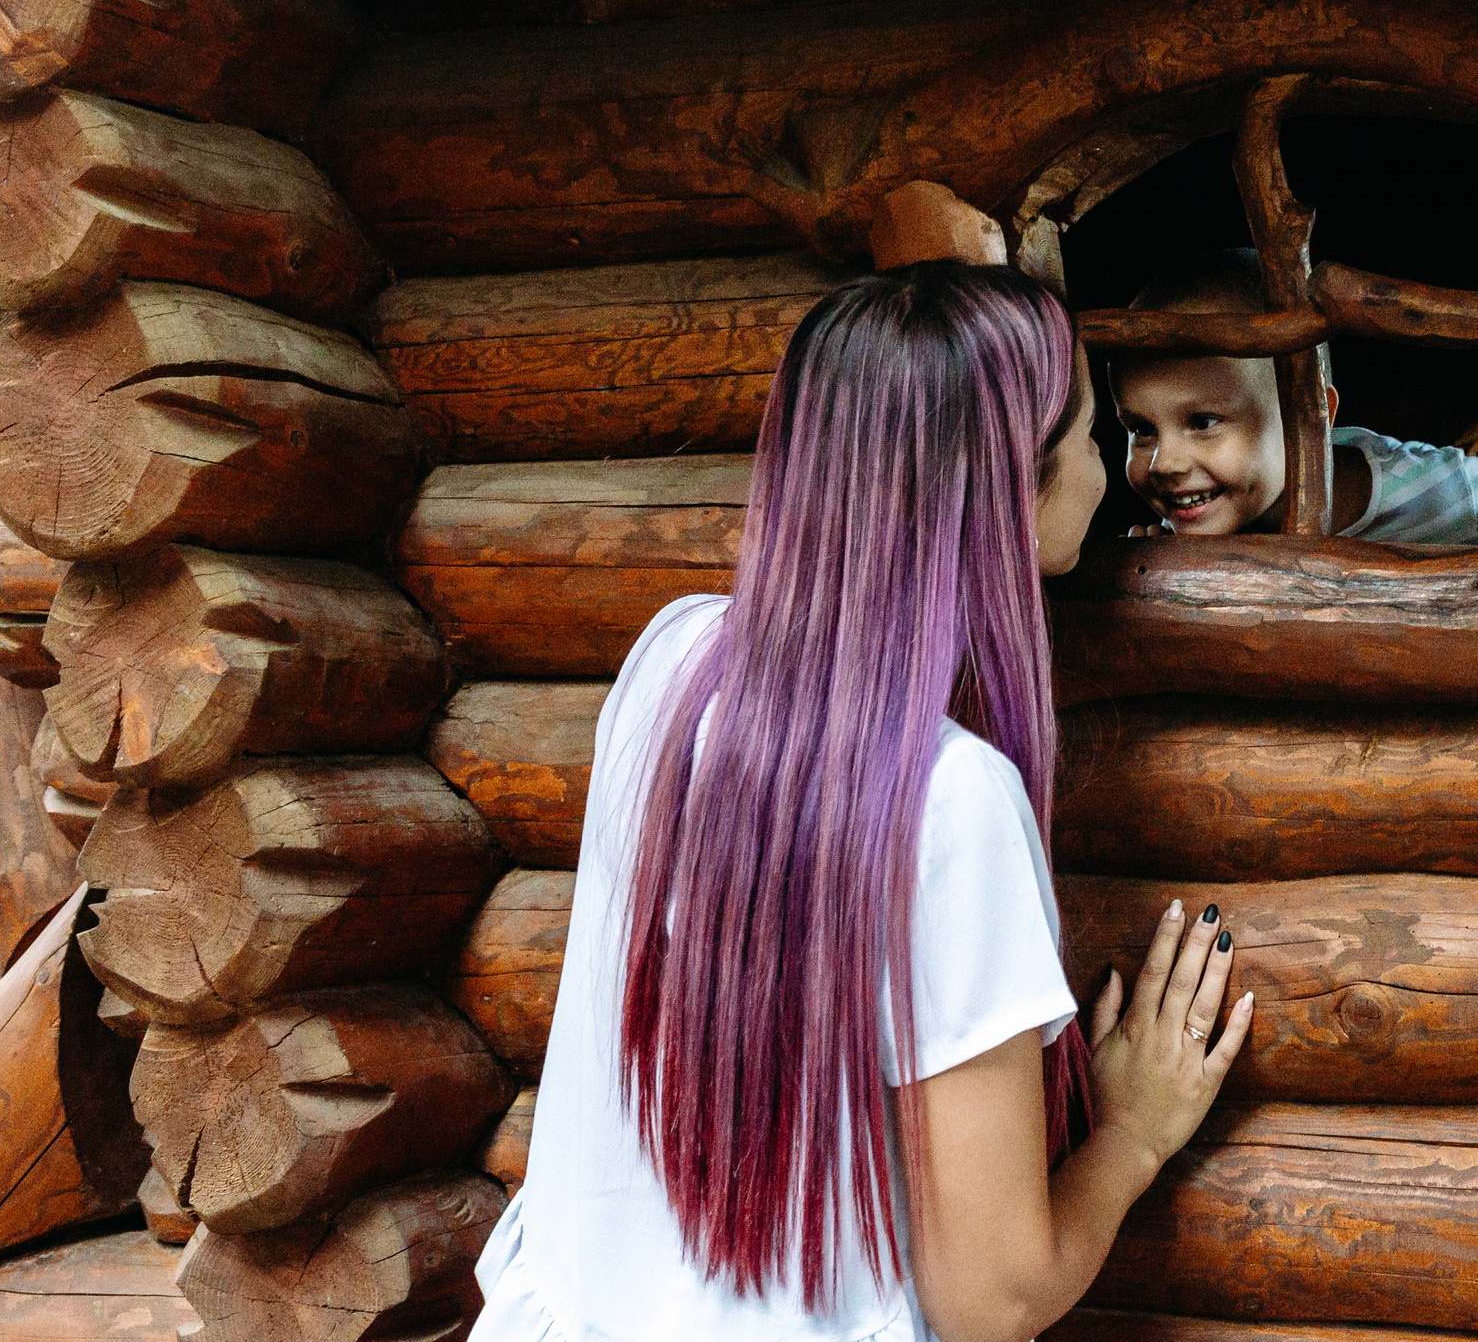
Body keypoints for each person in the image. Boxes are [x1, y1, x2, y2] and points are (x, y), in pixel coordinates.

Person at [473, 263, 1252, 1342]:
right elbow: (993, 1299)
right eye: (1085, 431)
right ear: (1008, 487)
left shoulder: (671, 662)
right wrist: (1130, 1134)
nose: (1105, 466)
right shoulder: (952, 802)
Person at [1112, 248, 1478, 546]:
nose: (1164, 464)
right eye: (1141, 429)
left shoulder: (1422, 488)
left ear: (1313, 416)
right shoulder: (1198, 509)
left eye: (1203, 421)